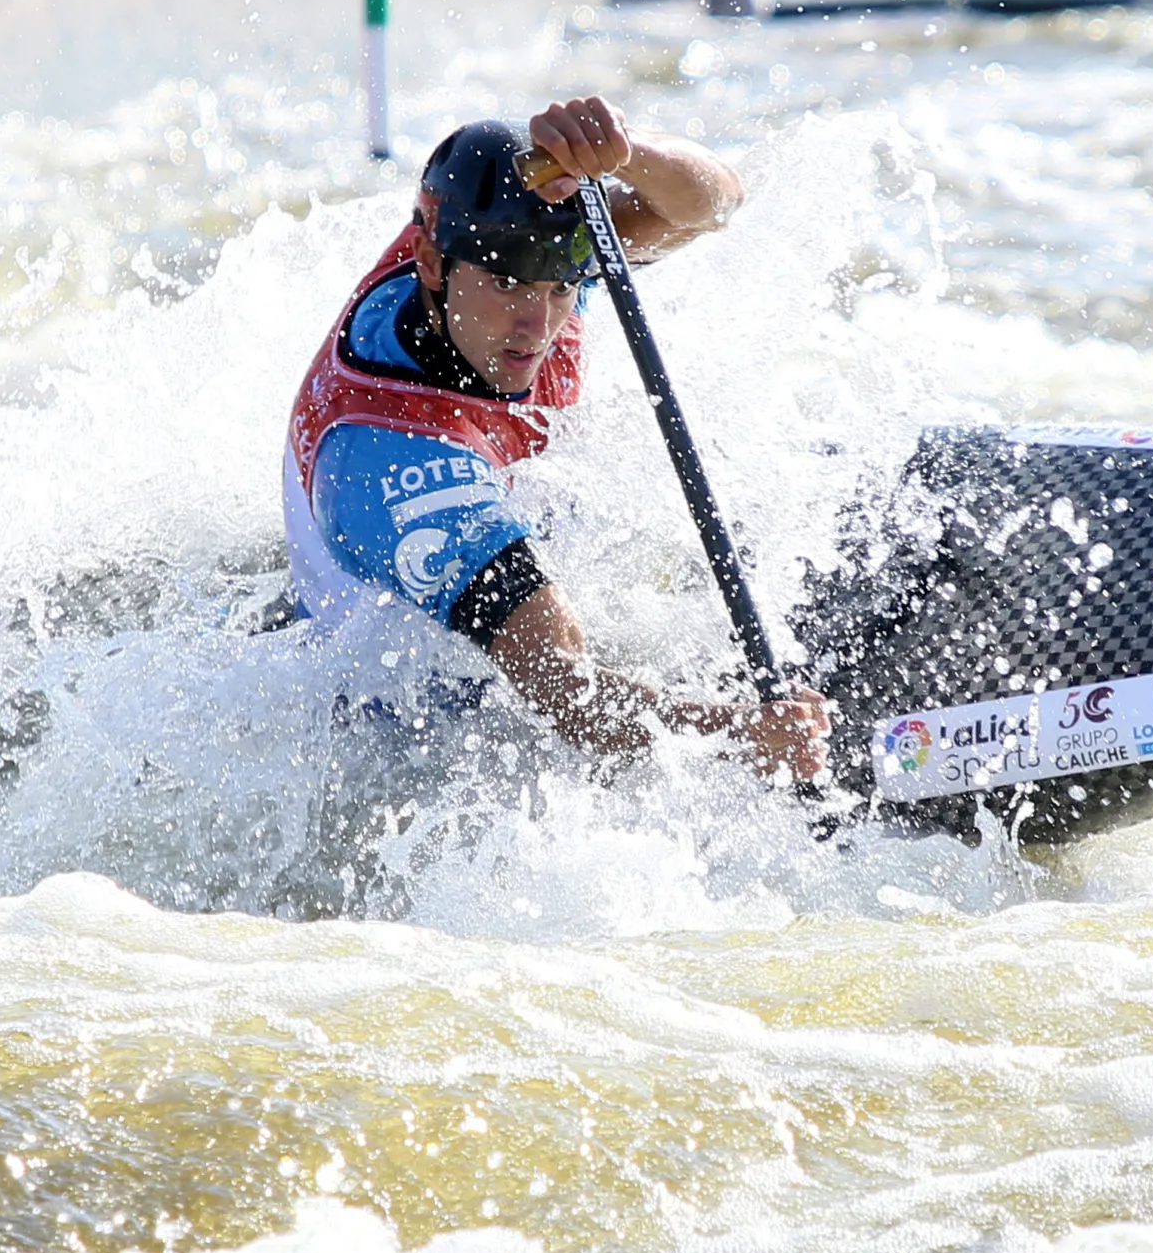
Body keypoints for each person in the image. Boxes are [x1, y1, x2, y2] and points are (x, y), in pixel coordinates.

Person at [281, 97, 832, 788]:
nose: (536, 323)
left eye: (562, 285)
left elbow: (714, 202)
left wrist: (626, 150)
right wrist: (741, 737)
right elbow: (568, 694)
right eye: (509, 286)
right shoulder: (386, 454)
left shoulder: (491, 249)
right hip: (404, 732)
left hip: (497, 556)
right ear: (427, 261)